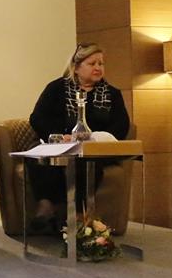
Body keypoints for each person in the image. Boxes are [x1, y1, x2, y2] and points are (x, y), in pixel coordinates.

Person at [27, 42, 130, 234]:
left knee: (86, 160)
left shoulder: (112, 94)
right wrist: (61, 136)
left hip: (94, 148)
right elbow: (37, 118)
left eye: (101, 63)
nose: (98, 68)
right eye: (92, 63)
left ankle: (79, 215)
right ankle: (47, 205)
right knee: (39, 157)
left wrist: (94, 138)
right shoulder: (56, 88)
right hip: (60, 144)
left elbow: (121, 125)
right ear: (76, 67)